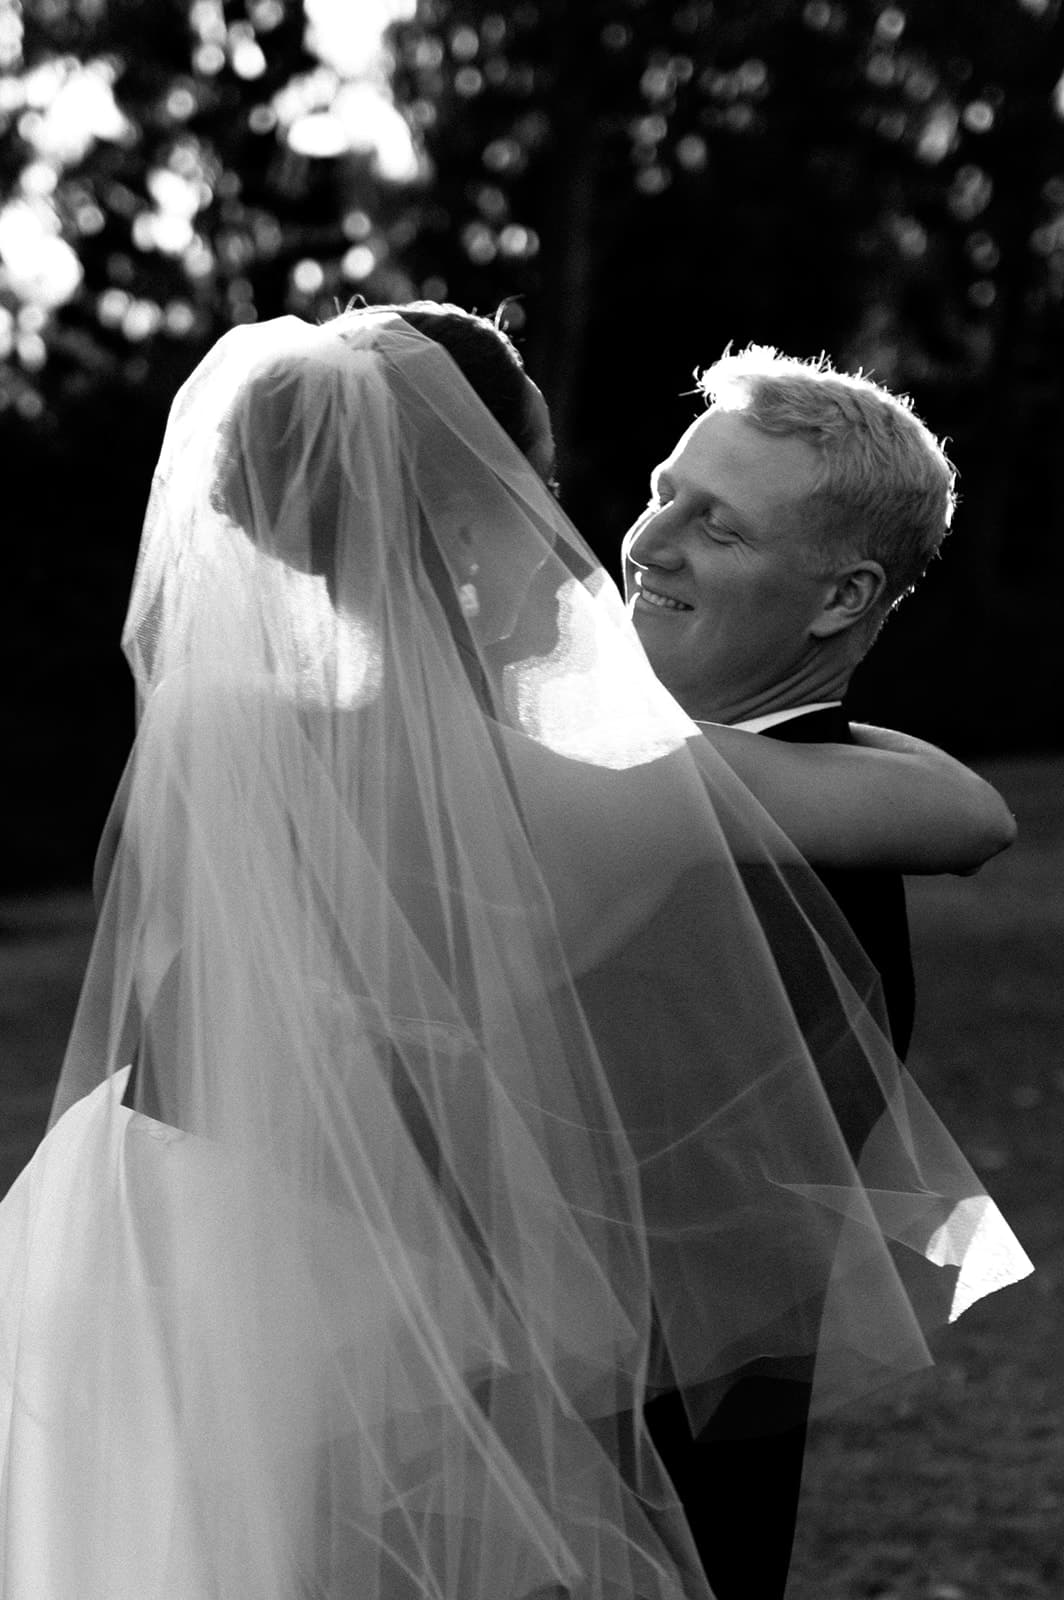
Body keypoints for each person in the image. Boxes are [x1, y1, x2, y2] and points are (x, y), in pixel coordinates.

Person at [0, 309, 1030, 1600]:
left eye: (716, 520)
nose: (617, 529)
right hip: (386, 1364)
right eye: (552, 485)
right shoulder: (582, 793)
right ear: (471, 513)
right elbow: (969, 816)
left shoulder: (225, 726)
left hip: (131, 1270)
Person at [620, 343, 998, 1597]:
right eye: (662, 487)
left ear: (838, 600)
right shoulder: (835, 791)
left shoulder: (781, 873)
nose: (646, 541)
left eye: (712, 526)